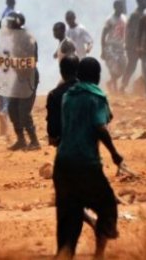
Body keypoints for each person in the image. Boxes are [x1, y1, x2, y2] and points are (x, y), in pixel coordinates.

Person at [53, 57, 123, 258]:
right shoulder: (96, 97)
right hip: (86, 163)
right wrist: (114, 154)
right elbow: (101, 125)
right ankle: (99, 253)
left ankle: (65, 253)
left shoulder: (68, 96)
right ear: (98, 76)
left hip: (63, 164)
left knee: (68, 218)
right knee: (108, 206)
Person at [5, 13, 41, 151]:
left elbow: (32, 60)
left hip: (28, 76)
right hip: (18, 76)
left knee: (24, 110)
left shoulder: (28, 38)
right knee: (12, 107)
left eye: (10, 23)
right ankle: (21, 139)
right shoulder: (15, 37)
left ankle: (34, 141)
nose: (7, 25)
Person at [46, 56, 80, 146]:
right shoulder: (91, 91)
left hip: (65, 147)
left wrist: (53, 138)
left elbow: (52, 128)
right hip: (89, 148)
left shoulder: (54, 95)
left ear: (61, 72)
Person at [121, 0, 146, 92]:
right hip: (134, 45)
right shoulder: (136, 15)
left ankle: (143, 87)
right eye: (145, 1)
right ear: (140, 2)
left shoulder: (143, 15)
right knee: (132, 65)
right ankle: (123, 86)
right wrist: (131, 45)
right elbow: (131, 31)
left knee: (143, 65)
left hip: (141, 45)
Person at [100, 0, 126, 95]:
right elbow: (103, 35)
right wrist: (103, 50)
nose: (122, 8)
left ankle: (110, 82)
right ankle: (114, 88)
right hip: (111, 47)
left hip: (121, 47)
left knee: (124, 66)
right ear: (115, 7)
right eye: (120, 6)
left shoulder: (124, 18)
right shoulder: (110, 19)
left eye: (122, 6)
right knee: (113, 68)